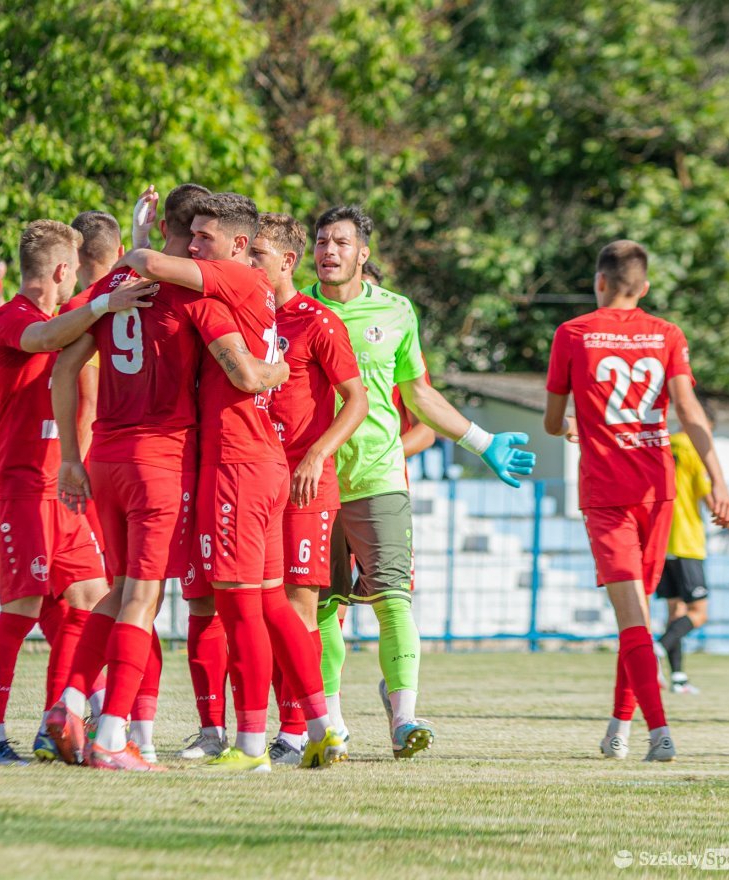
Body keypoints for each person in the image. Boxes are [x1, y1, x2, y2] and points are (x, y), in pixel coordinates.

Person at [114, 192, 345, 772]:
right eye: (190, 235)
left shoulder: (228, 281)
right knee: (271, 605)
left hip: (237, 464)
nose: (195, 247)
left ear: (238, 245)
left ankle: (250, 747)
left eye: (205, 237)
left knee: (240, 611)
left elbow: (152, 269)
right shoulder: (246, 287)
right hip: (262, 459)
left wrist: (142, 243)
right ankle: (322, 729)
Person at [306, 205, 534, 759]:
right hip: (312, 480)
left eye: (341, 242)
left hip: (380, 478)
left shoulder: (397, 310)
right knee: (320, 606)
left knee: (393, 600)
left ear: (363, 253)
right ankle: (331, 725)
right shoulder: (293, 308)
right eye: (321, 241)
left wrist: (481, 441)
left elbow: (420, 395)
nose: (329, 251)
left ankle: (404, 719)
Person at [543, 239, 729, 763]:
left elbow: (553, 420)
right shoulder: (667, 333)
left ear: (599, 282)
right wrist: (718, 481)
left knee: (634, 619)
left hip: (607, 494)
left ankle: (660, 732)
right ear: (644, 287)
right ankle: (619, 728)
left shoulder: (572, 333)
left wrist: (571, 425)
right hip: (658, 492)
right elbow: (689, 410)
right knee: (639, 616)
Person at [0, 219, 151, 765]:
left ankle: (57, 723)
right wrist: (102, 304)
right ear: (60, 271)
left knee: (88, 597)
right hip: (17, 485)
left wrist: (138, 243)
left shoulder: (68, 318)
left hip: (61, 488)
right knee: (22, 608)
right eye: (73, 274)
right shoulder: (10, 318)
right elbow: (45, 339)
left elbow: (98, 300)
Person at [45, 195, 207, 770]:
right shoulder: (192, 290)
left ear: (162, 226)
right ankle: (113, 736)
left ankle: (69, 701)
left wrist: (70, 456)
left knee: (117, 592)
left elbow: (64, 368)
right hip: (158, 462)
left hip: (107, 458)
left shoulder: (117, 282)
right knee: (143, 599)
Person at [249, 212, 368, 764]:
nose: (248, 263)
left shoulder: (317, 321)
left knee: (298, 610)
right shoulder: (244, 317)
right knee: (260, 609)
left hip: (303, 488)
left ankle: (299, 731)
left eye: (257, 255)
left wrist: (317, 455)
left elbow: (357, 400)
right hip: (255, 481)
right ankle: (269, 728)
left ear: (287, 262)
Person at [656, 401, 729, 694]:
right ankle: (656, 649)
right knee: (698, 612)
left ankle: (678, 678)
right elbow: (712, 499)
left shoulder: (663, 443)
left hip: (659, 540)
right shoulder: (695, 449)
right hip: (686, 541)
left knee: (675, 612)